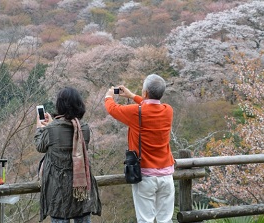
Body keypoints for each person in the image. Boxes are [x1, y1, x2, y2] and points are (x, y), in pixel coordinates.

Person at [104, 74, 175, 223]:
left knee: (145, 220)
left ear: (145, 93)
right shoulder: (168, 110)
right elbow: (150, 105)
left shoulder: (136, 112)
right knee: (166, 220)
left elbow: (112, 109)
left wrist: (108, 96)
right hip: (167, 174)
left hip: (145, 175)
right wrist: (131, 95)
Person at [34, 87, 101, 223]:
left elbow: (40, 146)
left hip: (58, 192)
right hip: (81, 192)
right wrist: (52, 125)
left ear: (60, 105)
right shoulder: (84, 128)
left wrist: (40, 128)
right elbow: (68, 137)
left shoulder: (51, 129)